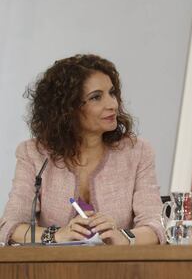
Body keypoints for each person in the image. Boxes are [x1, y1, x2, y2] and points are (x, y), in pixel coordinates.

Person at [0, 54, 166, 245]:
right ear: (68, 108)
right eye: (96, 97)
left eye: (112, 93)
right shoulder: (34, 154)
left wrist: (124, 237)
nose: (112, 104)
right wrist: (56, 235)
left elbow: (156, 225)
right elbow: (9, 226)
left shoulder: (137, 152)